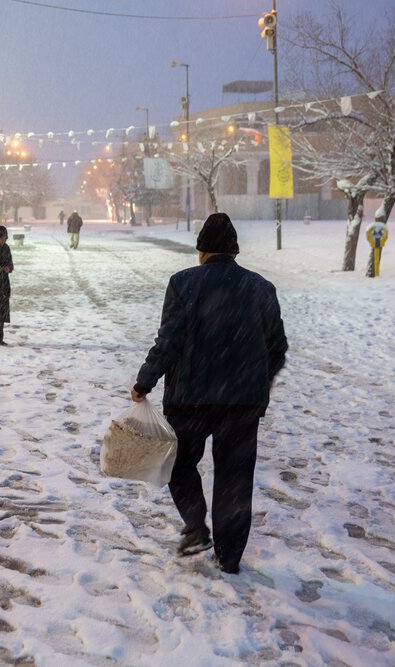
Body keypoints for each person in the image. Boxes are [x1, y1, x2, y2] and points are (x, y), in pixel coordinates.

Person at [130, 212, 288, 575]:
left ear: (201, 250)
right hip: (243, 403)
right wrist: (264, 377)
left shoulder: (184, 283)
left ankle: (197, 527)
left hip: (191, 399)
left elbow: (168, 341)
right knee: (235, 479)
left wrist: (144, 382)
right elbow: (277, 346)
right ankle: (229, 558)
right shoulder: (260, 287)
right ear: (234, 251)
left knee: (179, 463)